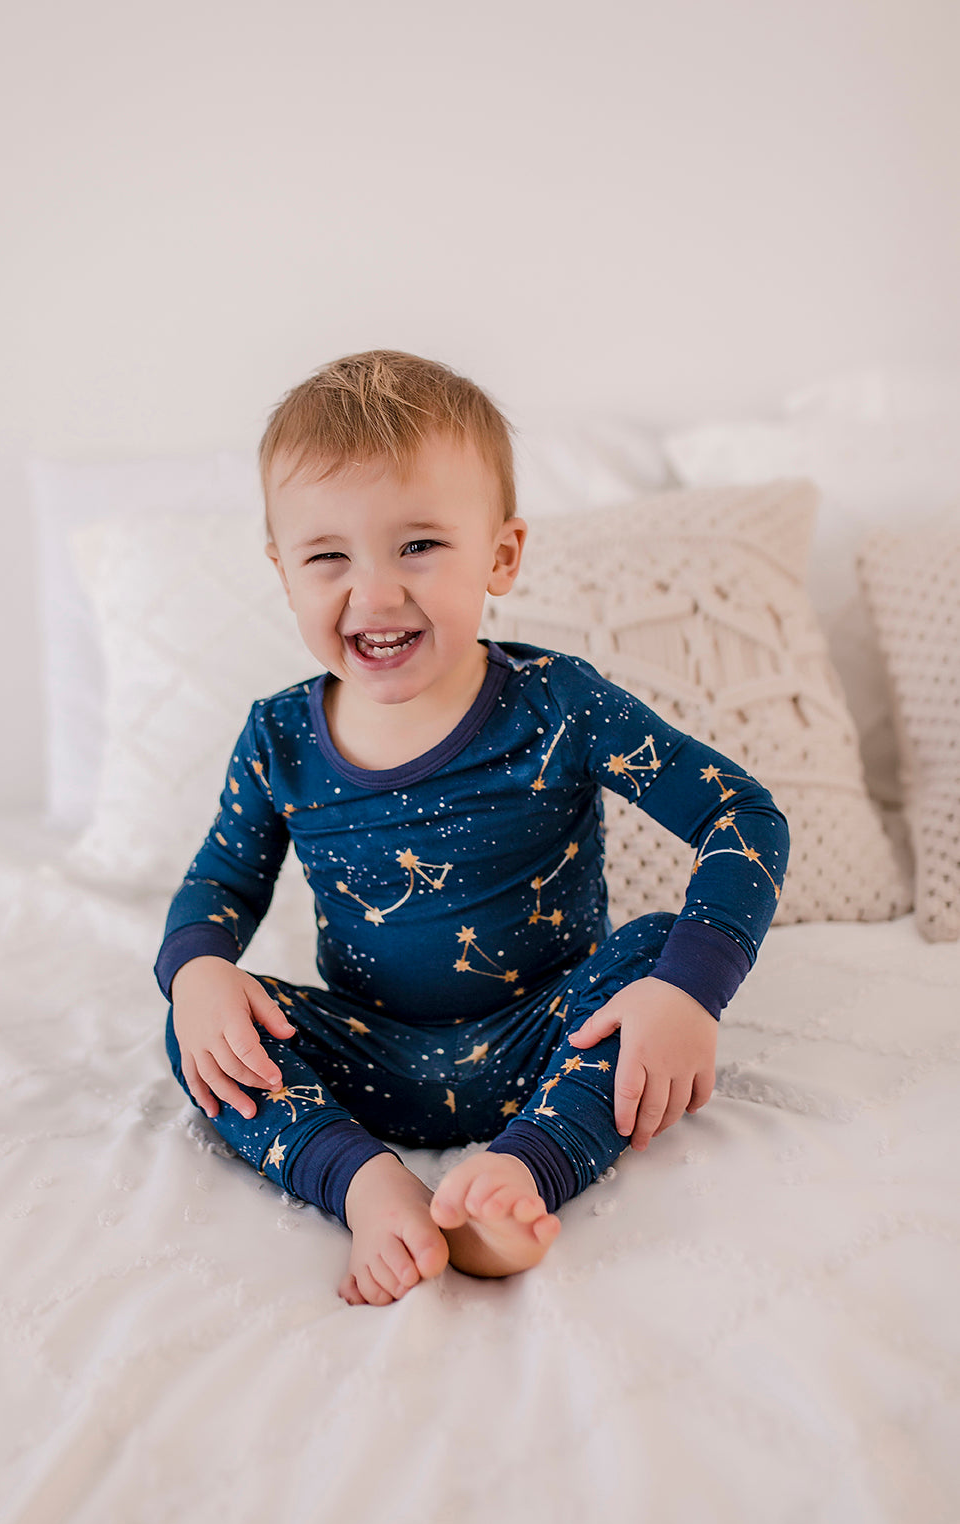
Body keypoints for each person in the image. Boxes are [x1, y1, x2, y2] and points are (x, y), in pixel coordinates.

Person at [155, 350, 789, 1307]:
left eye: (417, 546)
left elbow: (741, 814)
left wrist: (692, 992)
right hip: (371, 1053)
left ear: (500, 555)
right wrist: (197, 971)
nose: (372, 593)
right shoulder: (279, 734)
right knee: (203, 1024)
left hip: (553, 1035)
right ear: (281, 570)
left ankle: (517, 1178)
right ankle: (371, 1188)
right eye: (329, 555)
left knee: (658, 953)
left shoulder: (558, 705)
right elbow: (219, 886)